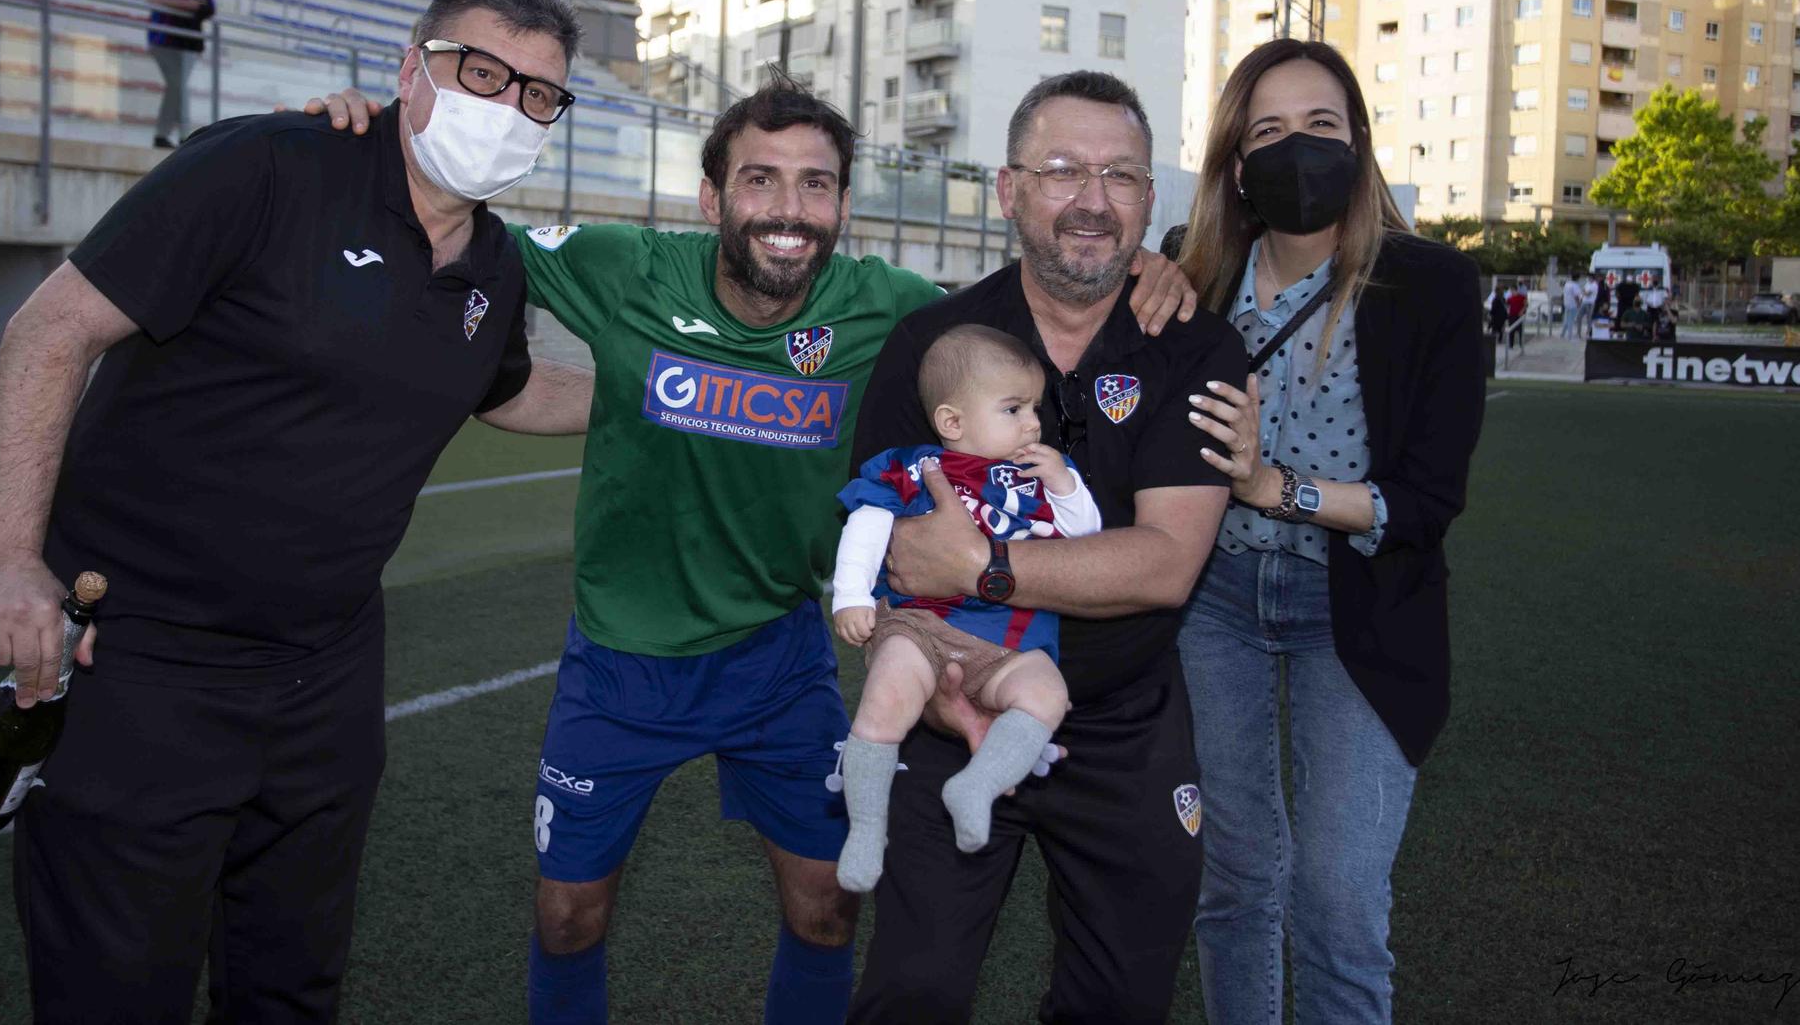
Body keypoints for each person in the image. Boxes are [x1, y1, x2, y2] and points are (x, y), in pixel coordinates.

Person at [301, 71, 1200, 1024]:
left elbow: (1017, 314)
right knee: (568, 915)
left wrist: (1150, 267)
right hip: (620, 660)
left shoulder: (888, 304)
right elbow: (459, 239)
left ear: (844, 205)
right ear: (712, 197)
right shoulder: (627, 266)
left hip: (779, 656)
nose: (789, 208)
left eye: (815, 184)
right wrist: (362, 146)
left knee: (825, 906)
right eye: (761, 179)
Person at [0, 0, 594, 1023]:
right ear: (409, 69)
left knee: (292, 986)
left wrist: (683, 398)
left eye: (537, 94)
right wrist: (3, 557)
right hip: (143, 661)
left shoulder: (493, 263)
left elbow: (508, 390)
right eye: (481, 72)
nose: (508, 107)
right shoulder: (269, 163)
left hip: (326, 676)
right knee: (114, 992)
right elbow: (49, 329)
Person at [844, 70, 1245, 1024]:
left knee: (1119, 1000)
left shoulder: (1194, 349)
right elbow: (896, 561)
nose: (1093, 202)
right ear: (1009, 188)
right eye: (1063, 170)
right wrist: (949, 691)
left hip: (1124, 724)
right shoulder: (932, 344)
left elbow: (1163, 565)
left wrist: (982, 566)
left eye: (1122, 176)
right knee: (914, 990)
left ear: (1152, 199)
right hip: (951, 704)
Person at [1168, 37, 1486, 1024]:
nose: (1295, 149)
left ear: (1356, 143)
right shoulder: (1191, 275)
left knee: (1337, 904)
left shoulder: (1427, 283)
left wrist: (1277, 487)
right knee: (1233, 882)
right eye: (1266, 130)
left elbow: (1425, 502)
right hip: (1210, 603)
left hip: (1353, 604)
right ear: (1232, 161)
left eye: (1319, 125)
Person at [829, 323, 1100, 893]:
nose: (1033, 422)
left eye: (1035, 408)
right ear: (952, 421)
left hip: (1012, 640)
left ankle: (976, 784)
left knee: (1049, 694)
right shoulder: (914, 465)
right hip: (921, 622)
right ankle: (866, 828)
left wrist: (1065, 486)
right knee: (885, 698)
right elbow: (869, 522)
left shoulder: (1042, 476)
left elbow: (1087, 535)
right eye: (1014, 409)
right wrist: (851, 595)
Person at [147, 0, 215, 148]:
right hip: (164, 40)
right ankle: (185, 134)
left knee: (176, 88)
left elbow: (209, 7)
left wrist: (176, 3)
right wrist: (191, 5)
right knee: (178, 86)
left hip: (189, 44)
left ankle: (162, 134)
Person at [1505, 282, 1529, 351]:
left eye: (1512, 291)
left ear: (1514, 290)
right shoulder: (1510, 298)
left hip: (1519, 316)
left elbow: (1526, 304)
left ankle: (1521, 345)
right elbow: (1507, 305)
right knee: (1511, 331)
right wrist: (1508, 312)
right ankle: (1511, 345)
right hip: (1512, 316)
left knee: (1520, 331)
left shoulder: (1522, 297)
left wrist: (1522, 311)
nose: (1511, 292)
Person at [1561, 274, 1583, 339]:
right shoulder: (1575, 286)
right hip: (1573, 305)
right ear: (1578, 279)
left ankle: (1562, 334)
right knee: (1570, 320)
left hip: (1566, 304)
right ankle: (1569, 335)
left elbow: (1563, 294)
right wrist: (1578, 304)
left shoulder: (1567, 284)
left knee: (1566, 319)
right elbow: (1576, 296)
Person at [1579, 272, 1599, 336]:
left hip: (1590, 303)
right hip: (1584, 302)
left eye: (1589, 277)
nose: (1588, 278)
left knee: (1589, 318)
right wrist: (1584, 292)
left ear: (1592, 278)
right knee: (1579, 317)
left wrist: (1584, 292)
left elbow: (1587, 294)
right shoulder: (1587, 284)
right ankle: (1578, 332)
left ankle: (1589, 331)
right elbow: (1584, 291)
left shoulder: (1594, 285)